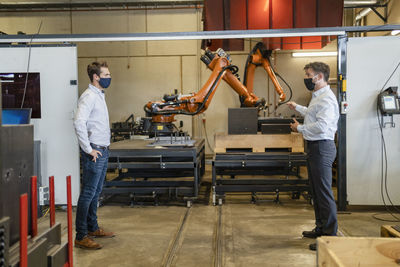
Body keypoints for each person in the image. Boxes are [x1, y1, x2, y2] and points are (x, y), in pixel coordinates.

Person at [287, 62, 339, 251]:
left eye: (308, 75)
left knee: (324, 193)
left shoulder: (326, 99)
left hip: (321, 147)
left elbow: (322, 127)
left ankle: (330, 237)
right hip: (315, 147)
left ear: (318, 77)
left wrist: (299, 128)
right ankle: (321, 228)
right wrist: (298, 108)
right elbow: (313, 114)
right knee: (316, 192)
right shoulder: (318, 96)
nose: (306, 78)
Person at [73, 62, 115, 249]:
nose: (109, 77)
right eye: (105, 74)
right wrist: (88, 149)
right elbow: (79, 123)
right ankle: (81, 235)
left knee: (96, 192)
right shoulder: (89, 96)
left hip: (103, 150)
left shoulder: (99, 95)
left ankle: (93, 228)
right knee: (88, 194)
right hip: (95, 153)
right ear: (96, 77)